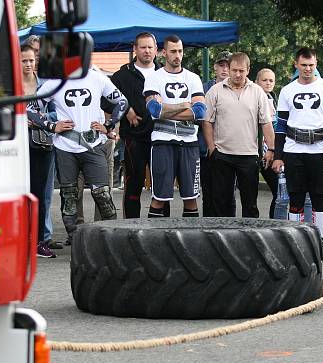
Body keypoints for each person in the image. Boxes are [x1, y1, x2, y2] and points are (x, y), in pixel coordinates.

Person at [39, 67, 128, 240]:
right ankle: (75, 239)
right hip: (65, 146)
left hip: (93, 145)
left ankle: (111, 238)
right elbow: (29, 106)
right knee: (69, 196)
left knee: (102, 194)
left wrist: (109, 125)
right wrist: (50, 125)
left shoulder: (97, 78)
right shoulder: (54, 82)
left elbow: (122, 102)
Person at [271, 47, 323, 260]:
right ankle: (295, 245)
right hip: (294, 150)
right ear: (296, 65)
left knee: (319, 199)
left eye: (311, 65)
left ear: (316, 64)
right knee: (295, 198)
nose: (308, 69)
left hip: (320, 149)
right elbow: (280, 127)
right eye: (304, 65)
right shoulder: (287, 91)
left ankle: (319, 245)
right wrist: (278, 156)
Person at [202, 52, 274, 218]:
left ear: (248, 70)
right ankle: (223, 239)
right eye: (234, 70)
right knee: (221, 202)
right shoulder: (215, 91)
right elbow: (207, 122)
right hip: (222, 154)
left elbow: (266, 123)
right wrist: (212, 148)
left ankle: (250, 239)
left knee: (250, 204)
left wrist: (271, 148)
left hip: (248, 155)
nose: (237, 74)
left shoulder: (257, 92)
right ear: (229, 68)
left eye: (241, 71)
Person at [143, 34, 205, 218]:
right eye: (173, 51)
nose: (177, 55)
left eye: (180, 51)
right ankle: (154, 241)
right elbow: (154, 110)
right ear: (164, 53)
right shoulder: (154, 78)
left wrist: (166, 109)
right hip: (163, 143)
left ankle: (191, 241)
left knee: (191, 197)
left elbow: (200, 111)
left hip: (189, 143)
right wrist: (184, 105)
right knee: (159, 197)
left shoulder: (193, 78)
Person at [110, 32, 167, 218]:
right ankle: (130, 229)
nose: (147, 51)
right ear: (135, 49)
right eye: (143, 47)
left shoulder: (164, 74)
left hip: (161, 137)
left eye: (150, 47)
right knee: (133, 185)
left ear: (157, 50)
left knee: (161, 187)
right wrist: (126, 110)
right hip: (134, 139)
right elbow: (106, 101)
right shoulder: (121, 75)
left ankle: (160, 229)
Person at [22, 44, 65, 258]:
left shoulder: (46, 86)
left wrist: (39, 120)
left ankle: (40, 241)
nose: (29, 64)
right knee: (21, 194)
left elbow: (55, 115)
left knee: (42, 194)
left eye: (31, 60)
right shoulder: (12, 86)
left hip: (42, 143)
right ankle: (22, 239)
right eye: (24, 60)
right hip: (17, 145)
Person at [198, 51, 231, 216]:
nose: (225, 69)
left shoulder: (239, 88)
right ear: (215, 67)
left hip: (231, 148)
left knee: (228, 192)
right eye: (221, 65)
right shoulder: (203, 88)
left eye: (228, 65)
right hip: (207, 149)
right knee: (209, 192)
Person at [256, 68, 280, 218]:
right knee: (250, 196)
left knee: (279, 191)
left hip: (270, 152)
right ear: (257, 82)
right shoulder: (253, 97)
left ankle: (275, 223)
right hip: (253, 151)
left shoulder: (274, 99)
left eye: (271, 80)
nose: (268, 83)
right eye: (264, 80)